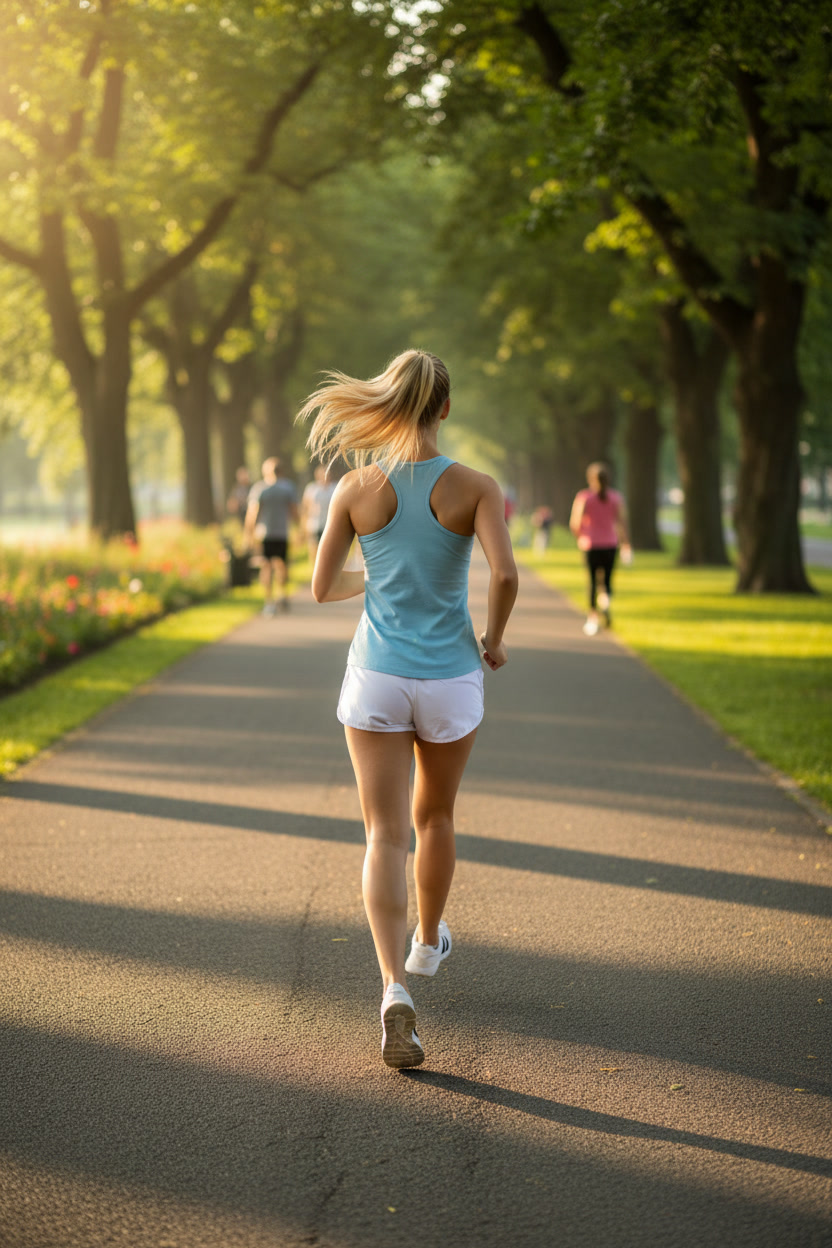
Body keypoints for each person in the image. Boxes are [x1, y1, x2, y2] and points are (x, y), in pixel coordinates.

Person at [298, 349, 518, 1070]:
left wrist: (384, 572)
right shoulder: (476, 487)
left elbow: (322, 587)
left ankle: (394, 990)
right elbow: (506, 573)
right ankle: (428, 944)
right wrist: (493, 638)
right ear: (445, 408)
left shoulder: (356, 487)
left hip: (377, 679)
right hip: (452, 677)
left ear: (388, 404)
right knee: (436, 819)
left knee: (384, 835)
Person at [569, 462, 631, 636]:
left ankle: (593, 618)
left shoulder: (584, 497)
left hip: (591, 545)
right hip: (611, 545)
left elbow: (575, 523)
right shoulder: (615, 497)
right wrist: (626, 543)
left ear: (590, 479)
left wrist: (581, 537)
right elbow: (621, 522)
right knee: (607, 580)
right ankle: (606, 602)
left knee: (592, 581)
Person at [244, 457, 299, 615]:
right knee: (282, 565)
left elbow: (253, 514)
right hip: (282, 533)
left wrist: (249, 533)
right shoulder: (288, 488)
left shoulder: (260, 489)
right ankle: (283, 595)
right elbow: (294, 511)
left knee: (266, 566)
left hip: (265, 533)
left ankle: (269, 600)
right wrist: (299, 529)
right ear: (281, 471)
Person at [301, 464, 337, 562]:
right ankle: (315, 573)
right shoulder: (311, 488)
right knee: (315, 550)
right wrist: (303, 527)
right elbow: (305, 508)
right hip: (314, 525)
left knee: (331, 551)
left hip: (331, 525)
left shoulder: (335, 487)